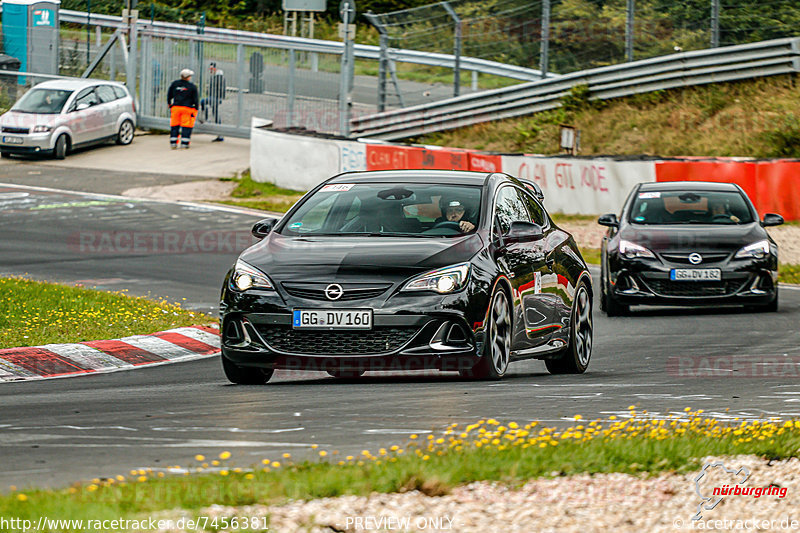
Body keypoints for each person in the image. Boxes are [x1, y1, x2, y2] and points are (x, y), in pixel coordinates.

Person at [166, 68, 199, 149]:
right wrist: (196, 108)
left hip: (176, 108)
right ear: (188, 77)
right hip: (187, 108)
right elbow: (196, 99)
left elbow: (169, 95)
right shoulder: (192, 86)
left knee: (174, 125)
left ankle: (173, 143)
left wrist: (169, 104)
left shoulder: (175, 84)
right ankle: (184, 143)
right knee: (186, 126)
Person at [206, 62, 227, 142]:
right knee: (216, 115)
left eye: (212, 68)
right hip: (213, 98)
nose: (210, 70)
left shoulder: (219, 77)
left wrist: (218, 98)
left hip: (215, 98)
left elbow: (220, 89)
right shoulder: (215, 77)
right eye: (210, 68)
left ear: (216, 69)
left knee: (203, 103)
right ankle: (219, 134)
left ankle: (206, 119)